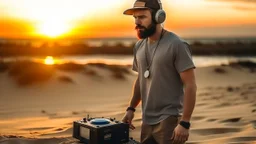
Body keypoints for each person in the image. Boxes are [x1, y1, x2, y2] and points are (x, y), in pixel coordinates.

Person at [121, 0, 197, 144]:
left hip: (170, 120)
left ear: (158, 17)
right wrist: (131, 108)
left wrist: (185, 123)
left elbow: (190, 85)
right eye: (135, 18)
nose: (137, 22)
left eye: (142, 17)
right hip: (146, 119)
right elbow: (140, 80)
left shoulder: (177, 45)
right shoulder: (139, 46)